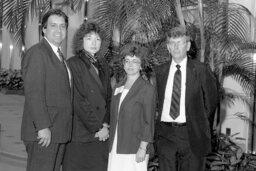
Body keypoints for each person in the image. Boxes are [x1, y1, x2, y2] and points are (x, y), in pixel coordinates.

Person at [154, 26, 218, 171]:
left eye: (180, 42)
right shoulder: (159, 71)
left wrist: (199, 124)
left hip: (192, 135)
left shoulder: (201, 70)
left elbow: (211, 103)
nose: (176, 47)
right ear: (168, 47)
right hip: (166, 135)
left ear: (188, 46)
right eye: (172, 43)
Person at [21, 9, 72, 171]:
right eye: (53, 26)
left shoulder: (58, 55)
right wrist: (43, 127)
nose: (59, 30)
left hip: (58, 130)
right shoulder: (37, 53)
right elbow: (34, 93)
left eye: (62, 26)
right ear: (44, 29)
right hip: (44, 133)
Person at [62, 21, 112, 171]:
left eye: (97, 39)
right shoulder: (73, 63)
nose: (94, 43)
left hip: (101, 134)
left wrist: (106, 125)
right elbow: (78, 100)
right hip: (82, 133)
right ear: (80, 41)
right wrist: (97, 128)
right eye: (89, 38)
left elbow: (109, 98)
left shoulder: (103, 65)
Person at [107, 43, 156, 171]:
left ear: (141, 65)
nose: (130, 65)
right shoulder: (118, 86)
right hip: (116, 145)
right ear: (123, 63)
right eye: (127, 61)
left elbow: (148, 121)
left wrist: (143, 148)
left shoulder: (147, 89)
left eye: (135, 61)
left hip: (135, 147)